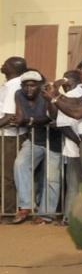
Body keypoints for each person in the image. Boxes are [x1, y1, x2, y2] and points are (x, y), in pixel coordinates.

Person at [10, 71, 63, 224]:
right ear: (21, 86)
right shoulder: (18, 94)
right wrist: (20, 120)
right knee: (20, 164)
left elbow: (51, 117)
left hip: (54, 140)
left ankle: (46, 214)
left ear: (39, 85)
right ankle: (26, 205)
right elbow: (20, 116)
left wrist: (29, 120)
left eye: (32, 85)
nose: (29, 89)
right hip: (35, 138)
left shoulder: (47, 93)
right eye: (26, 85)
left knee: (51, 178)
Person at [54, 70, 82, 226]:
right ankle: (68, 218)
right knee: (74, 185)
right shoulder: (72, 95)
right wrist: (80, 142)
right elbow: (63, 125)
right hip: (75, 148)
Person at [0, 57, 27, 215]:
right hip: (5, 134)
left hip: (9, 136)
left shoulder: (14, 86)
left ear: (14, 68)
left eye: (6, 64)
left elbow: (9, 115)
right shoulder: (8, 85)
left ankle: (8, 211)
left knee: (7, 175)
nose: (3, 65)